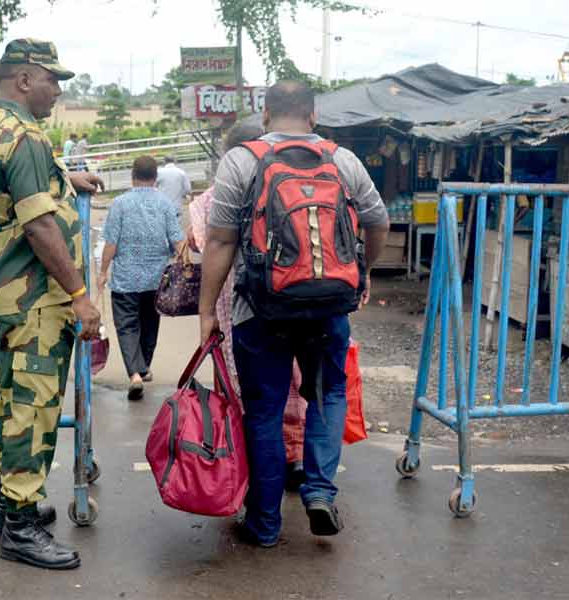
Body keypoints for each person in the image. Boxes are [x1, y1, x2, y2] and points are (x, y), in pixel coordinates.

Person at [198, 80, 389, 548]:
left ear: (265, 115)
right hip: (327, 307)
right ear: (313, 114)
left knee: (263, 411)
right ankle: (320, 491)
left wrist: (207, 311)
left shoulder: (241, 160)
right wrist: (360, 272)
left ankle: (264, 525)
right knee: (326, 396)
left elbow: (220, 240)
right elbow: (377, 219)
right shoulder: (342, 159)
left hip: (259, 309)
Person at [0, 38, 103, 570]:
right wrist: (79, 296)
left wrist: (66, 178)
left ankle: (7, 505)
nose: (58, 91)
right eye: (52, 79)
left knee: (12, 397)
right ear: (24, 79)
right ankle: (20, 528)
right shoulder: (23, 137)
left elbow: (17, 188)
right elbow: (39, 222)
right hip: (35, 295)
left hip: (5, 288)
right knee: (34, 405)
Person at [188, 120, 308, 491]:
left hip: (232, 304)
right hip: (288, 298)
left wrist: (205, 312)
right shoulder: (288, 186)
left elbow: (200, 243)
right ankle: (296, 458)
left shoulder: (207, 200)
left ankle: (248, 465)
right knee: (291, 379)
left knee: (242, 385)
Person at [98, 156, 184, 401]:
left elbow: (111, 243)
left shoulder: (120, 204)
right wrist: (185, 265)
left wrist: (103, 272)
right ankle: (143, 367)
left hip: (125, 279)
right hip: (156, 280)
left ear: (132, 175)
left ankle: (135, 374)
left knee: (127, 327)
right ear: (155, 177)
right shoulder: (166, 204)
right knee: (149, 324)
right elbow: (177, 240)